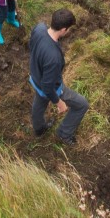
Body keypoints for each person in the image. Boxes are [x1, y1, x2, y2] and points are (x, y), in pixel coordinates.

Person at [29, 8, 88, 144]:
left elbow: (31, 46)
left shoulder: (39, 28)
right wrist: (59, 102)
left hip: (35, 78)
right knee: (82, 105)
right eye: (68, 29)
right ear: (63, 30)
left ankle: (39, 129)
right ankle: (64, 133)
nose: (68, 31)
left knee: (39, 101)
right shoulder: (54, 57)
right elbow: (48, 87)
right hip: (49, 87)